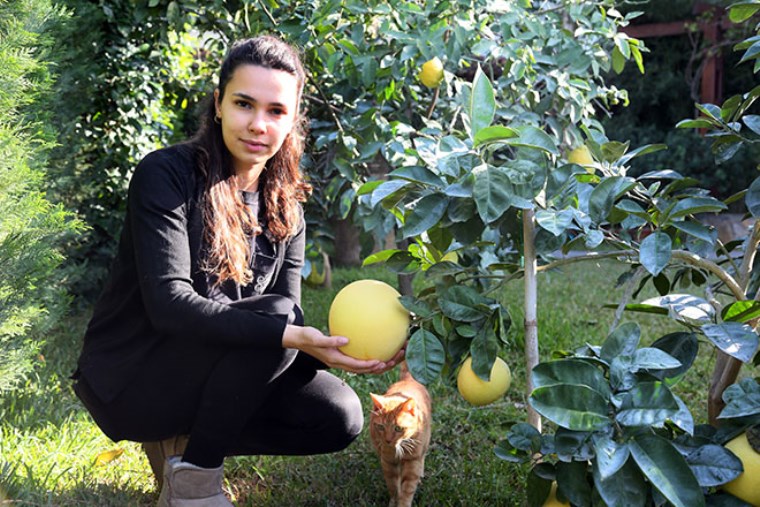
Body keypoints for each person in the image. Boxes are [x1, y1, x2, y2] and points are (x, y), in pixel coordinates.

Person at [71, 35, 402, 506]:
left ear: (292, 121)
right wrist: (292, 336)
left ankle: (184, 443)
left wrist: (325, 351)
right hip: (133, 378)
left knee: (338, 414)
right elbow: (170, 307)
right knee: (278, 322)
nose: (258, 124)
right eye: (244, 103)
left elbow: (289, 319)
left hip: (211, 368)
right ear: (219, 103)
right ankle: (194, 484)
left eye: (275, 111)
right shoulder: (165, 176)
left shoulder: (286, 206)